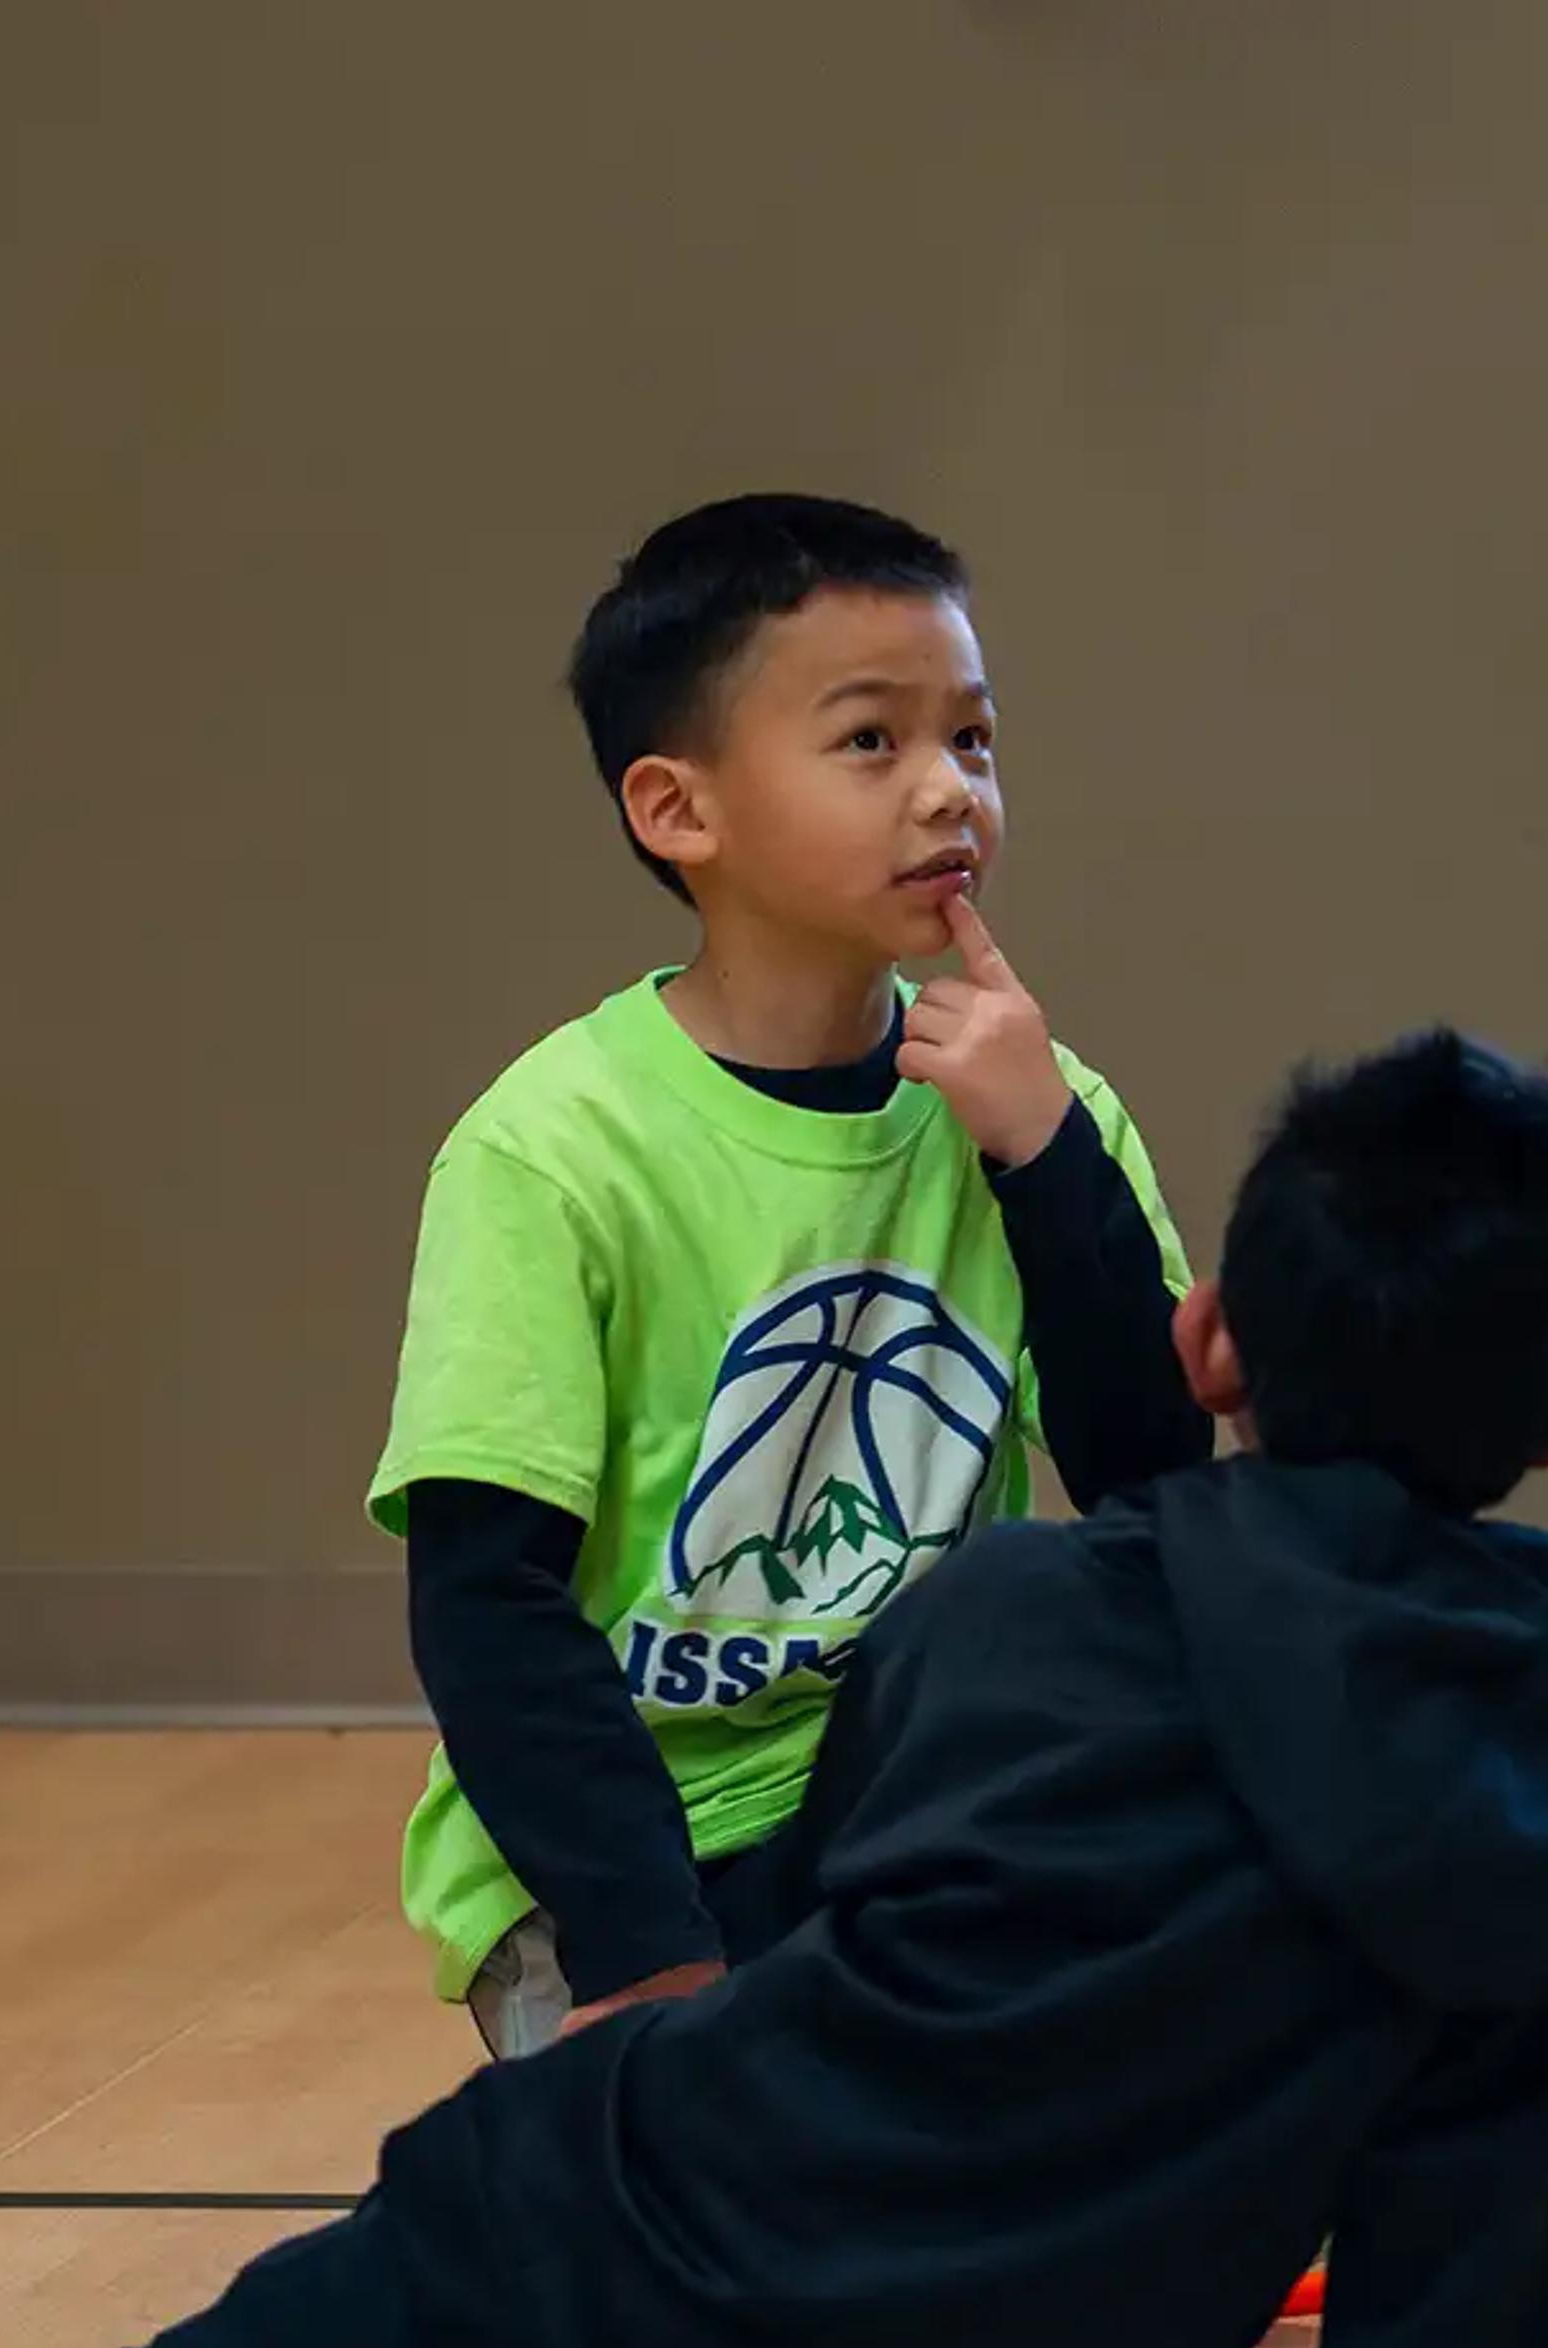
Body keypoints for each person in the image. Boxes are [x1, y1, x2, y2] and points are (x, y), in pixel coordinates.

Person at [0, 1030, 1548, 2348]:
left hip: (655, 2231)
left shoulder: (999, 1610)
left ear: (1210, 1344)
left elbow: (826, 1937)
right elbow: (1464, 2345)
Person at [370, 493, 1207, 2056]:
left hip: (929, 1804)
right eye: (872, 742)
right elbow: (486, 1607)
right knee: (757, 2238)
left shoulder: (1043, 1107)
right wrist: (648, 1954)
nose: (949, 789)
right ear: (678, 811)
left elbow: (1156, 1484)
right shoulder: (551, 1152)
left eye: (974, 739)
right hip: (623, 1857)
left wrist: (1045, 1165)